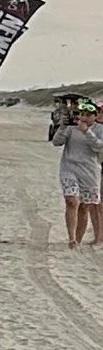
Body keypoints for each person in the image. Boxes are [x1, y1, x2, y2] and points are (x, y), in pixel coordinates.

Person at [62, 100, 103, 248]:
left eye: (88, 115)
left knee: (90, 206)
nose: (84, 117)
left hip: (92, 169)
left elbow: (99, 146)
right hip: (74, 168)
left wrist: (87, 132)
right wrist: (62, 128)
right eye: (81, 114)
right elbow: (57, 141)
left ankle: (90, 238)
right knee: (77, 202)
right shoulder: (73, 129)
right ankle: (74, 238)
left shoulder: (99, 129)